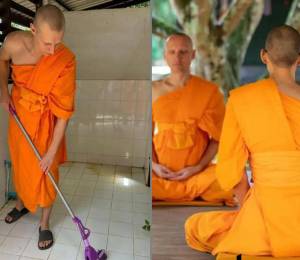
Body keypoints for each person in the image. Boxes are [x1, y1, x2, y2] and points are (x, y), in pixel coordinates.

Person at [185, 25, 300, 257]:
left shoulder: (243, 100)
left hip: (266, 210)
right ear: (299, 59)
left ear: (263, 56)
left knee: (196, 227)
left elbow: (231, 168)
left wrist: (247, 210)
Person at [0, 4, 76, 250]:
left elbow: (63, 113)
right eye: (47, 44)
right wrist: (3, 93)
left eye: (57, 43)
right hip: (19, 116)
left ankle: (44, 223)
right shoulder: (12, 43)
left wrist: (52, 151)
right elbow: (2, 62)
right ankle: (21, 204)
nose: (52, 50)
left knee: (46, 171)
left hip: (47, 123)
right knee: (22, 163)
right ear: (32, 29)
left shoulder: (64, 60)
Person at [152, 33, 234, 204]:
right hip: (159, 172)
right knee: (140, 178)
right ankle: (184, 192)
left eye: (183, 52)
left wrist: (198, 167)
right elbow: (144, 134)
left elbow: (219, 138)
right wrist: (154, 165)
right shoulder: (152, 89)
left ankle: (174, 192)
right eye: (172, 52)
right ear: (165, 55)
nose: (177, 57)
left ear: (193, 54)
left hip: (196, 173)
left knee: (229, 176)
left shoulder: (209, 92)